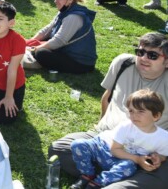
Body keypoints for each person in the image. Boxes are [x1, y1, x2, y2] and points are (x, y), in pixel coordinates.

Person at [50, 33, 168, 188]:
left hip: (146, 152)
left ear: (166, 61)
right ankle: (112, 175)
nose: (143, 58)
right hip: (105, 139)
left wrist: (158, 157)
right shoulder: (123, 63)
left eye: (152, 55)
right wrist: (100, 126)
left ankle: (113, 178)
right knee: (59, 148)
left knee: (156, 175)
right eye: (140, 52)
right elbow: (107, 97)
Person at [69, 89, 168, 189]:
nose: (134, 115)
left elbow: (162, 155)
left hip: (123, 160)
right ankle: (87, 174)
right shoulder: (126, 126)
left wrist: (157, 158)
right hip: (103, 148)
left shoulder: (163, 137)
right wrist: (138, 159)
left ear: (156, 116)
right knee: (78, 144)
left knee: (129, 166)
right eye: (131, 111)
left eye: (141, 111)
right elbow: (115, 150)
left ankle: (97, 183)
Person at [23, 0, 97, 74]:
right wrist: (30, 41)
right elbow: (47, 29)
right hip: (66, 50)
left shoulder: (74, 17)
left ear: (70, 0)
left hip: (81, 62)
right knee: (42, 42)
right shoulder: (65, 10)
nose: (55, 1)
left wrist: (33, 49)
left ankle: (33, 59)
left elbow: (59, 41)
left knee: (41, 53)